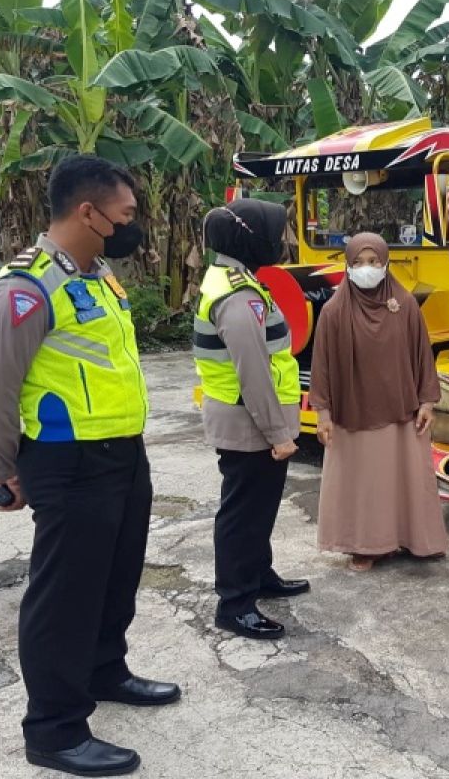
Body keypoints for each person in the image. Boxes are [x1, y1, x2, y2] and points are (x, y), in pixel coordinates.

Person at [0, 155, 179, 777]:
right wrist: (9, 470)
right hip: (67, 462)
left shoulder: (100, 277)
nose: (133, 224)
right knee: (64, 597)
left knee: (115, 580)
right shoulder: (26, 287)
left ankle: (104, 672)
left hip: (123, 454)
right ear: (88, 213)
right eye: (126, 214)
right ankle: (54, 729)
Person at [194, 199, 310, 640]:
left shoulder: (235, 280)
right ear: (249, 236)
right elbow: (254, 371)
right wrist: (278, 434)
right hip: (249, 424)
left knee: (259, 509)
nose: (281, 241)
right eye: (275, 233)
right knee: (243, 514)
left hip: (252, 420)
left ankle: (259, 575)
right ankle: (235, 603)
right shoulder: (238, 296)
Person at [309, 232, 449, 571]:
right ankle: (364, 545)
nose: (366, 269)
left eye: (373, 262)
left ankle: (412, 539)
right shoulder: (333, 311)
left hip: (403, 411)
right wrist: (324, 414)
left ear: (386, 263)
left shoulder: (404, 306)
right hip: (353, 414)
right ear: (347, 266)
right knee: (366, 484)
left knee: (405, 478)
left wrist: (427, 402)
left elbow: (422, 356)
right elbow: (322, 366)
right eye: (357, 263)